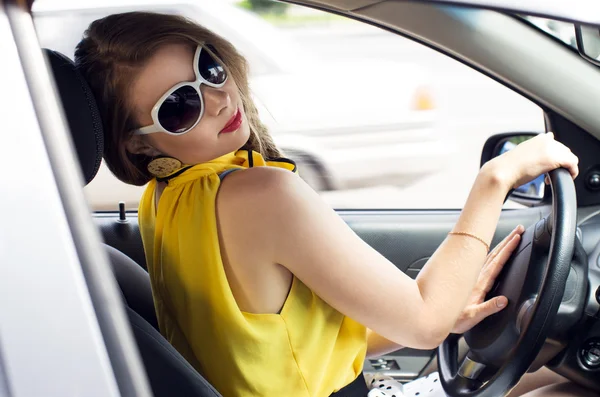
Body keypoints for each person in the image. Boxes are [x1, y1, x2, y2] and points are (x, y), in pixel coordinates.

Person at [74, 11, 593, 397]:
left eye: (207, 68)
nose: (218, 99)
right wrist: (495, 178)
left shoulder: (167, 200)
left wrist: (446, 310)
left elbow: (279, 346)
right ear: (139, 144)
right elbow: (423, 323)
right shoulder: (260, 195)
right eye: (179, 106)